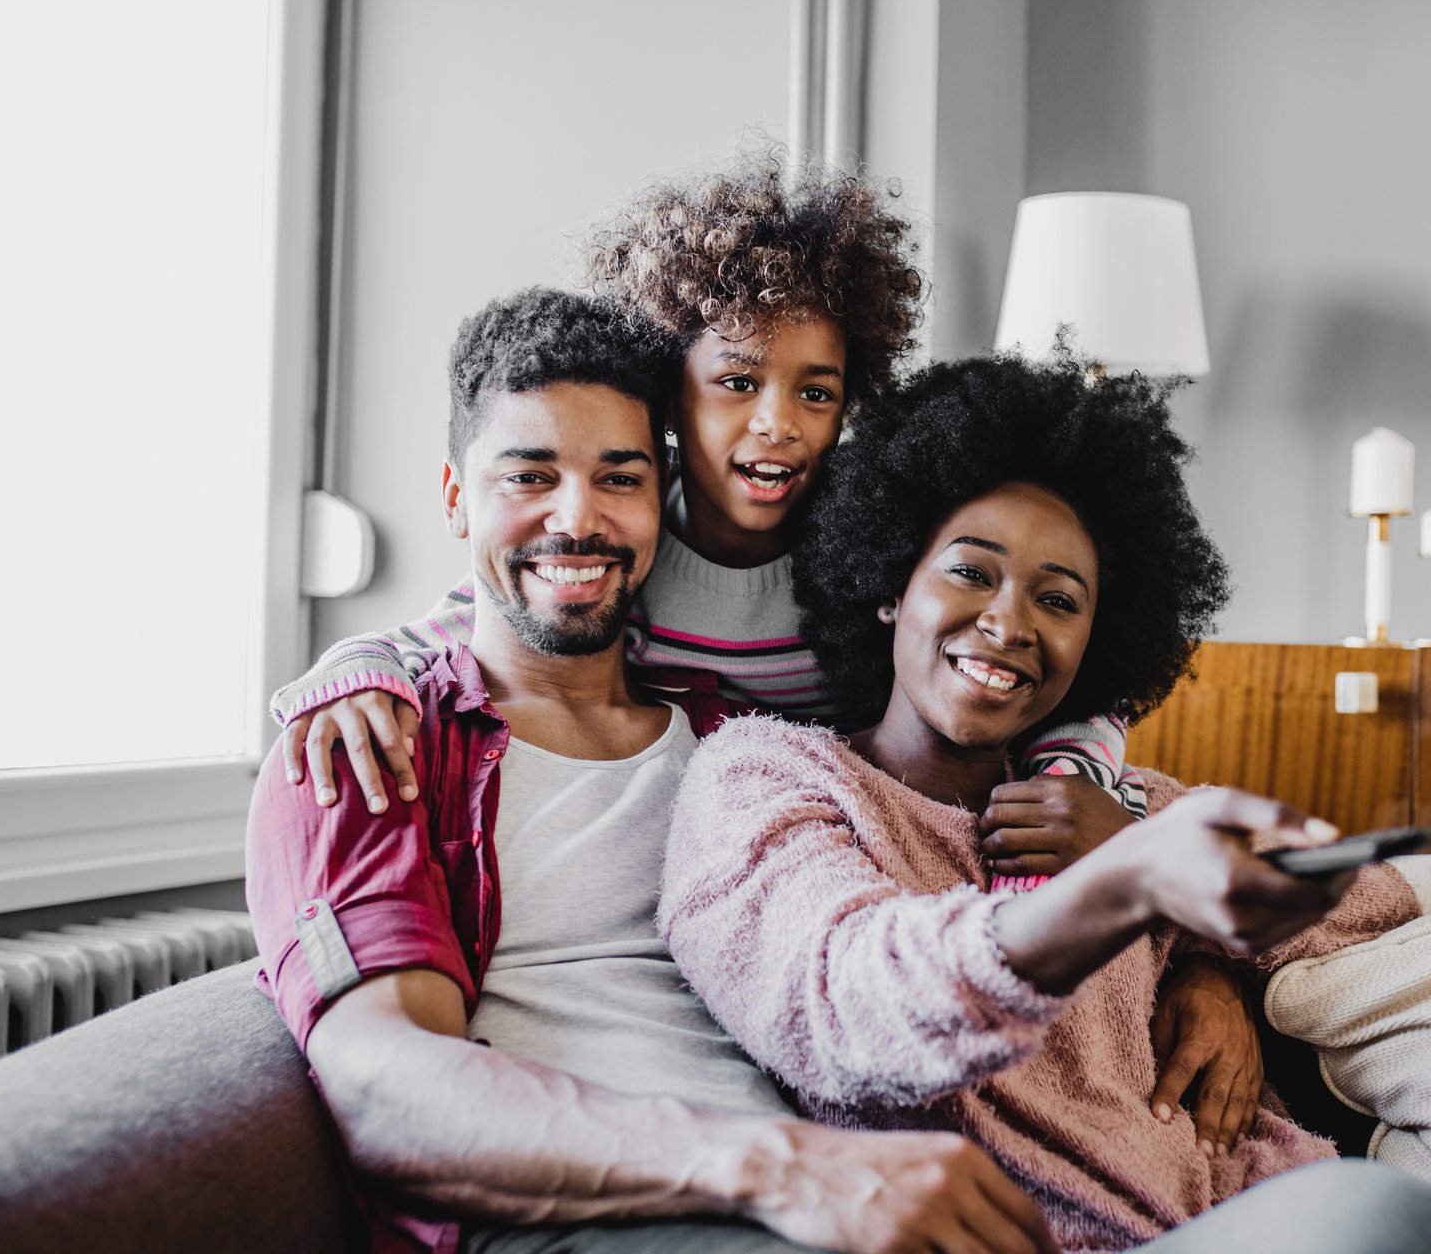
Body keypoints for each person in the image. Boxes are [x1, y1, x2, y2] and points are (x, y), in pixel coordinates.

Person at [658, 354, 1431, 1254]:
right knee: (1367, 1235)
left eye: (1060, 597)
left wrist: (1184, 915)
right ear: (891, 581)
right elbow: (846, 1003)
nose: (1010, 620)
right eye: (971, 571)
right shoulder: (769, 777)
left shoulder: (1116, 800)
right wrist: (1131, 886)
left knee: (1385, 1227)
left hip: (1244, 1217)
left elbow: (1369, 910)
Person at [268, 156, 1272, 1152]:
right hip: (759, 900)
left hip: (887, 881)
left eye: (817, 392)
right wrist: (350, 671)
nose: (777, 425)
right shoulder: (617, 541)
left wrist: (1105, 827)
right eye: (737, 382)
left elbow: (1040, 684)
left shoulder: (870, 556)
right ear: (671, 399)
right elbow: (472, 612)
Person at [245, 288, 1074, 1254]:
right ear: (456, 496)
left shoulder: (742, 740)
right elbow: (387, 1090)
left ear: (662, 495)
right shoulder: (372, 744)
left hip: (823, 1203)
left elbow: (979, 814)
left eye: (619, 478)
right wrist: (778, 1166)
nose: (577, 518)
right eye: (529, 477)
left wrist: (1209, 968)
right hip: (574, 1228)